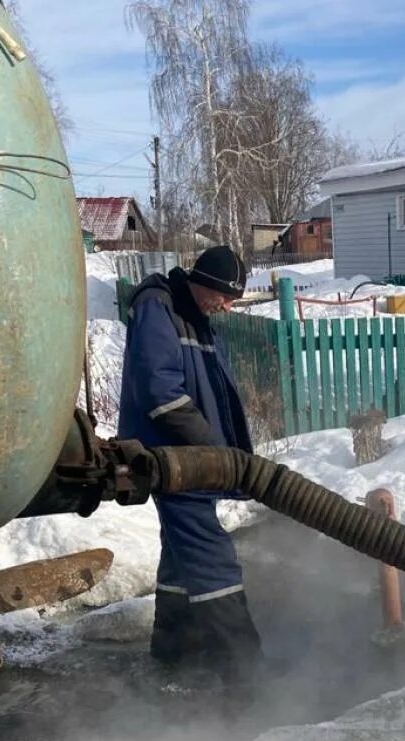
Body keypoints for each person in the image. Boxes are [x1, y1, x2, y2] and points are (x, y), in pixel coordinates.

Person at [118, 245, 264, 693]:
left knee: (181, 558)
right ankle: (247, 675)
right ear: (204, 284)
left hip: (191, 459)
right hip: (172, 458)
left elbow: (211, 391)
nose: (228, 306)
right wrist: (215, 450)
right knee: (211, 558)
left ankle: (174, 651)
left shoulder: (194, 316)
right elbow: (161, 390)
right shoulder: (157, 308)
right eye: (225, 296)